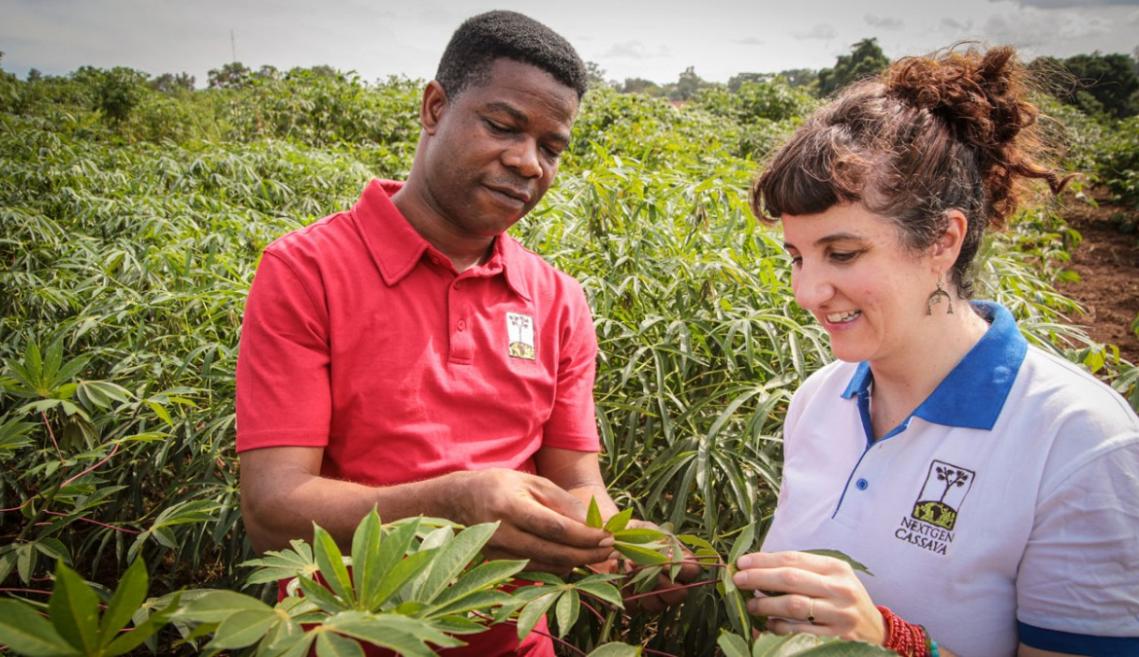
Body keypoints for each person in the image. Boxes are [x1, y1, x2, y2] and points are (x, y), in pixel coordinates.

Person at [235, 11, 684, 656]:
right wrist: (452, 503)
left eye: (552, 148)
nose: (528, 162)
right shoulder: (306, 271)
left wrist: (625, 539)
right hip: (340, 639)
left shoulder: (556, 298)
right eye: (503, 127)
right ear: (434, 107)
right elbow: (273, 514)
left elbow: (579, 485)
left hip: (515, 645)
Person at [732, 46, 1139, 657]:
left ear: (943, 241)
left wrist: (890, 643)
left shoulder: (1079, 441)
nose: (807, 292)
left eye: (843, 253)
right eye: (797, 256)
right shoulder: (819, 399)